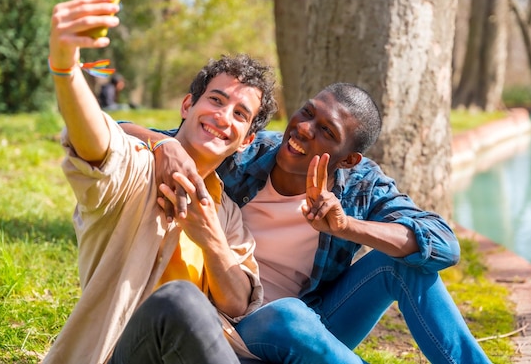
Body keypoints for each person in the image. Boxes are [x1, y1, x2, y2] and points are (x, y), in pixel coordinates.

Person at [122, 83, 492, 363]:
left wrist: (348, 227)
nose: (303, 129)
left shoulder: (362, 185)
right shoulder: (243, 152)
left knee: (402, 267)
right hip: (221, 327)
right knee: (287, 314)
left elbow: (444, 244)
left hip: (311, 329)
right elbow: (115, 131)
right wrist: (161, 144)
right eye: (306, 113)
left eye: (326, 132)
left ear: (348, 160)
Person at [44, 0, 278, 364]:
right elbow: (96, 142)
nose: (223, 117)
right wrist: (66, 66)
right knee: (180, 302)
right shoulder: (137, 168)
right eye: (216, 100)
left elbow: (236, 302)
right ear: (188, 105)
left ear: (246, 140)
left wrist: (211, 239)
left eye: (239, 114)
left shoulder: (227, 214)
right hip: (126, 352)